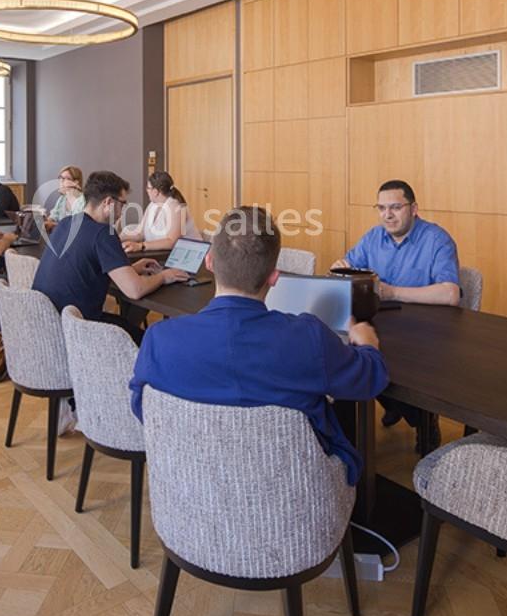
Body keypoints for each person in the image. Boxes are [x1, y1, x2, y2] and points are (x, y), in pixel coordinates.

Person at [129, 206, 389, 486]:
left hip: (193, 488)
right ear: (274, 277)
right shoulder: (308, 338)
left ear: (209, 262)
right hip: (297, 492)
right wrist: (369, 346)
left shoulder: (158, 339)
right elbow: (370, 380)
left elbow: (144, 408)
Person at [332, 179, 460, 447]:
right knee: (348, 351)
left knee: (376, 357)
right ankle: (393, 408)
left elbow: (450, 294)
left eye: (395, 208)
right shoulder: (373, 237)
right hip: (382, 325)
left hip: (425, 332)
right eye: (381, 208)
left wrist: (392, 292)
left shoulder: (437, 240)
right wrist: (340, 269)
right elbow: (349, 269)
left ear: (413, 208)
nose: (387, 215)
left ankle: (418, 418)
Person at [32, 170, 187, 344]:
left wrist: (131, 269)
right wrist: (164, 276)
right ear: (108, 203)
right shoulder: (103, 234)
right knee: (153, 341)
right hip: (81, 330)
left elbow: (87, 268)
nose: (122, 212)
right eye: (122, 204)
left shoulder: (66, 224)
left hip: (48, 325)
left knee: (128, 325)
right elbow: (134, 290)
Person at [120, 171, 198, 253]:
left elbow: (172, 242)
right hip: (164, 255)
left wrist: (141, 246)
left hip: (187, 255)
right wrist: (118, 238)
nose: (146, 191)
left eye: (148, 188)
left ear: (156, 191)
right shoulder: (152, 205)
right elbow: (141, 233)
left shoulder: (175, 206)